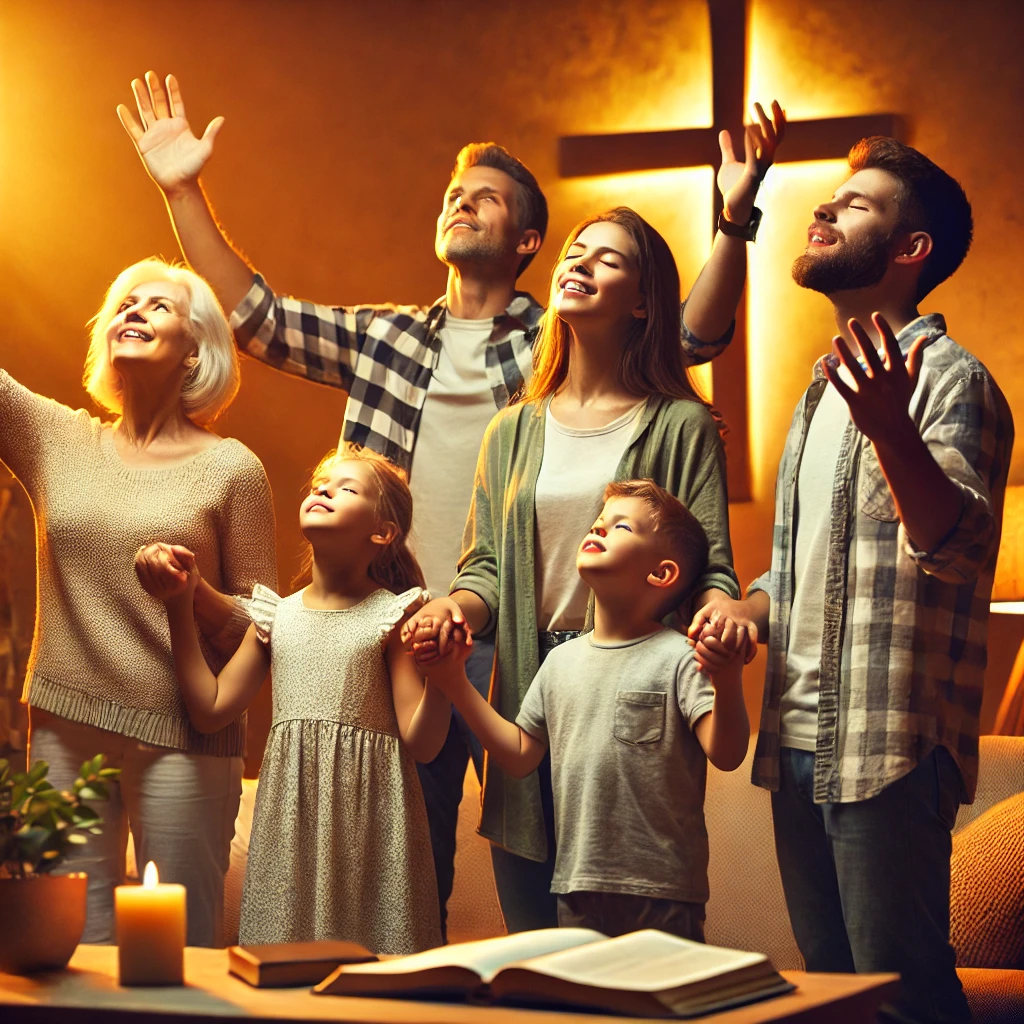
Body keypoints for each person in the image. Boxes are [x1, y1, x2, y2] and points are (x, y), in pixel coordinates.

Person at [117, 70, 784, 934]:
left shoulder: (556, 341)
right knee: (405, 871)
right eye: (453, 195)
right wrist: (182, 188)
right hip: (407, 630)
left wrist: (733, 222)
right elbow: (259, 318)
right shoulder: (387, 337)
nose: (461, 205)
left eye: (488, 199)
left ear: (529, 240)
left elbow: (687, 331)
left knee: (590, 879)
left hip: (541, 651)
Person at [690, 137, 1013, 1024]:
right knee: (828, 998)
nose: (825, 211)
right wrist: (741, 607)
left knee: (905, 996)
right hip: (798, 745)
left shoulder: (953, 380)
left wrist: (893, 432)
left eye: (857, 203)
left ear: (911, 251)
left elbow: (952, 542)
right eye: (831, 198)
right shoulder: (819, 391)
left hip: (891, 749)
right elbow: (802, 570)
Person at [403, 197, 773, 931]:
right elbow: (484, 572)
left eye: (609, 258)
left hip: (633, 680)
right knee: (539, 943)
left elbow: (712, 570)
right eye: (576, 251)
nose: (580, 263)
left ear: (644, 302)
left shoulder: (681, 422)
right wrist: (453, 606)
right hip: (532, 677)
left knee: (635, 898)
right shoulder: (512, 427)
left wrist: (725, 630)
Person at [2, 258, 277, 946]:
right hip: (65, 722)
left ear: (196, 350)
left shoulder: (232, 468)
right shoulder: (55, 437)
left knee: (181, 948)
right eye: (125, 301)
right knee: (68, 944)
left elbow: (266, 625)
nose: (133, 310)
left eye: (158, 306)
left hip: (186, 732)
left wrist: (194, 594)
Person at [417, 480, 749, 939]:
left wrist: (728, 679)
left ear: (661, 574)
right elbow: (517, 754)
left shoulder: (678, 657)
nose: (598, 528)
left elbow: (726, 753)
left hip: (663, 893)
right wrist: (454, 683)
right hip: (575, 888)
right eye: (599, 521)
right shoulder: (560, 663)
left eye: (621, 526)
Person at [155, 446, 450, 953]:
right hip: (289, 832)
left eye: (346, 488)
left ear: (382, 533)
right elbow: (210, 709)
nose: (323, 490)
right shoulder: (276, 617)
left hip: (371, 829)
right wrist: (179, 608)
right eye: (319, 483)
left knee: (377, 979)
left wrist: (444, 677)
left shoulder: (394, 616)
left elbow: (421, 745)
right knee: (282, 969)